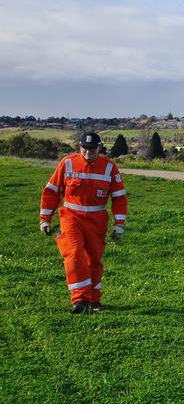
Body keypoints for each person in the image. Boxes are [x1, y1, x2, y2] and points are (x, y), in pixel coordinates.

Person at [39, 132, 128, 313]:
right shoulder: (67, 163)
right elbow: (51, 192)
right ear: (80, 147)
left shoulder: (110, 167)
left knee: (93, 260)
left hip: (97, 220)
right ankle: (80, 299)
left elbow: (119, 197)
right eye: (84, 148)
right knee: (73, 253)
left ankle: (94, 301)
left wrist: (119, 224)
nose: (87, 152)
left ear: (99, 147)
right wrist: (44, 220)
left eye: (92, 148)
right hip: (71, 216)